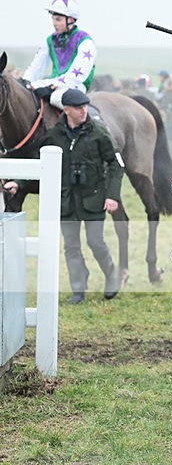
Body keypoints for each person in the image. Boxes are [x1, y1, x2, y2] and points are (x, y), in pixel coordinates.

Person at [5, 89, 124, 304]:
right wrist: (19, 183)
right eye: (78, 108)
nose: (83, 111)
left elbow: (116, 164)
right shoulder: (54, 136)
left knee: (96, 242)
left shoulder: (99, 132)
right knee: (71, 246)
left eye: (85, 106)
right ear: (66, 110)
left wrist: (112, 196)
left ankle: (111, 275)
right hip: (66, 201)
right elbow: (39, 163)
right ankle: (78, 288)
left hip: (93, 199)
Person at [23, 0, 96, 110]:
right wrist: (24, 83)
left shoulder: (85, 41)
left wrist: (51, 87)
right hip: (54, 83)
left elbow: (76, 77)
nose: (54, 23)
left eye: (58, 19)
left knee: (55, 97)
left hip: (75, 86)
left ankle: (85, 120)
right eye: (53, 19)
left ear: (71, 20)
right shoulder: (49, 40)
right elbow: (35, 67)